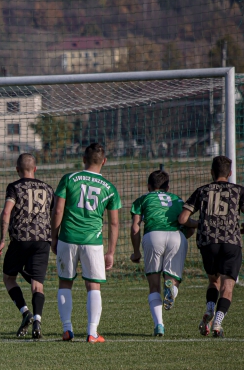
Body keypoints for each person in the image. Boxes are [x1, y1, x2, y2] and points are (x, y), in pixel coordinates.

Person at [51, 143, 121, 343]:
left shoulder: (69, 179)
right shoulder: (109, 188)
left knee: (65, 282)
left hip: (68, 238)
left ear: (83, 159)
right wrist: (111, 251)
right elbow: (114, 223)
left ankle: (67, 329)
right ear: (104, 161)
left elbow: (57, 211)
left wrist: (54, 237)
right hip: (93, 242)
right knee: (93, 286)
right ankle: (92, 332)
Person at [178, 155, 244, 338]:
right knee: (228, 286)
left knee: (213, 281)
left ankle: (209, 308)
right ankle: (218, 323)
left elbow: (182, 219)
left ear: (212, 172)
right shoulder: (238, 190)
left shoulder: (202, 190)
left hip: (208, 242)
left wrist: (199, 224)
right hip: (231, 242)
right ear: (230, 173)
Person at [0, 153, 55, 339]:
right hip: (42, 240)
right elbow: (54, 215)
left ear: (17, 170)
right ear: (35, 169)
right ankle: (37, 321)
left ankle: (25, 312)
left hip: (20, 239)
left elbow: (6, 212)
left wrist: (2, 239)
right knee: (38, 285)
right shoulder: (48, 188)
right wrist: (54, 238)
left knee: (9, 278)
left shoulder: (14, 187)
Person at [129, 169, 196, 336]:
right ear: (168, 187)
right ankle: (171, 289)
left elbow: (135, 226)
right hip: (175, 236)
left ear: (149, 186)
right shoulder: (177, 199)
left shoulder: (142, 199)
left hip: (153, 236)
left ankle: (159, 325)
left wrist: (136, 251)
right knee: (173, 280)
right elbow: (187, 223)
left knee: (153, 286)